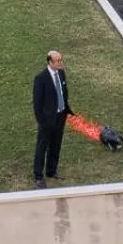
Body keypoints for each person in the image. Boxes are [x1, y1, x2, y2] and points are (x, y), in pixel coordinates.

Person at [31, 50, 72, 189]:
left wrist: (65, 109)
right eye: (58, 61)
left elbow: (64, 92)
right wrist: (42, 121)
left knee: (56, 144)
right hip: (47, 120)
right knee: (42, 147)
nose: (60, 63)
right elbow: (37, 103)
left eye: (61, 60)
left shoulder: (61, 73)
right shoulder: (41, 78)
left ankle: (51, 170)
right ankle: (38, 175)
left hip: (60, 116)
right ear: (50, 62)